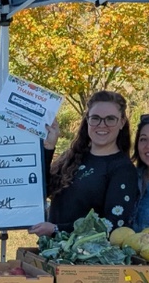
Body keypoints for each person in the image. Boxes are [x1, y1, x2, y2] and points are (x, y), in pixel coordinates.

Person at [29, 91, 138, 236]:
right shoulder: (74, 156)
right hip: (52, 254)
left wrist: (56, 229)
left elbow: (112, 224)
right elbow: (44, 189)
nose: (102, 125)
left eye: (110, 119)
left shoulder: (122, 169)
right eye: (96, 118)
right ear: (87, 120)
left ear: (122, 122)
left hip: (84, 257)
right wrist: (48, 148)